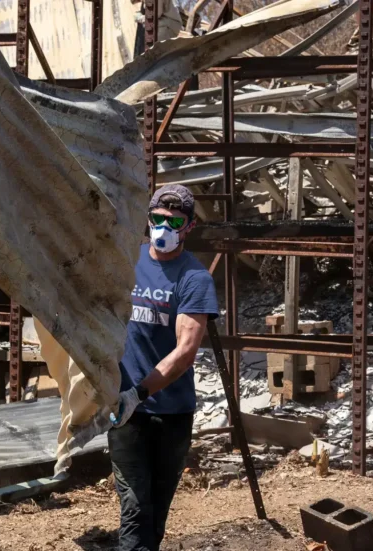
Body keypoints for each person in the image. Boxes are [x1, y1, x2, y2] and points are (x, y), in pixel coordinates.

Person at [107, 185, 219, 550]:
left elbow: (186, 351)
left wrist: (139, 393)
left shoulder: (194, 279)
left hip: (169, 412)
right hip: (125, 411)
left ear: (189, 226)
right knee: (135, 506)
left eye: (175, 221)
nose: (164, 228)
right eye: (157, 219)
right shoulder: (125, 263)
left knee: (155, 512)